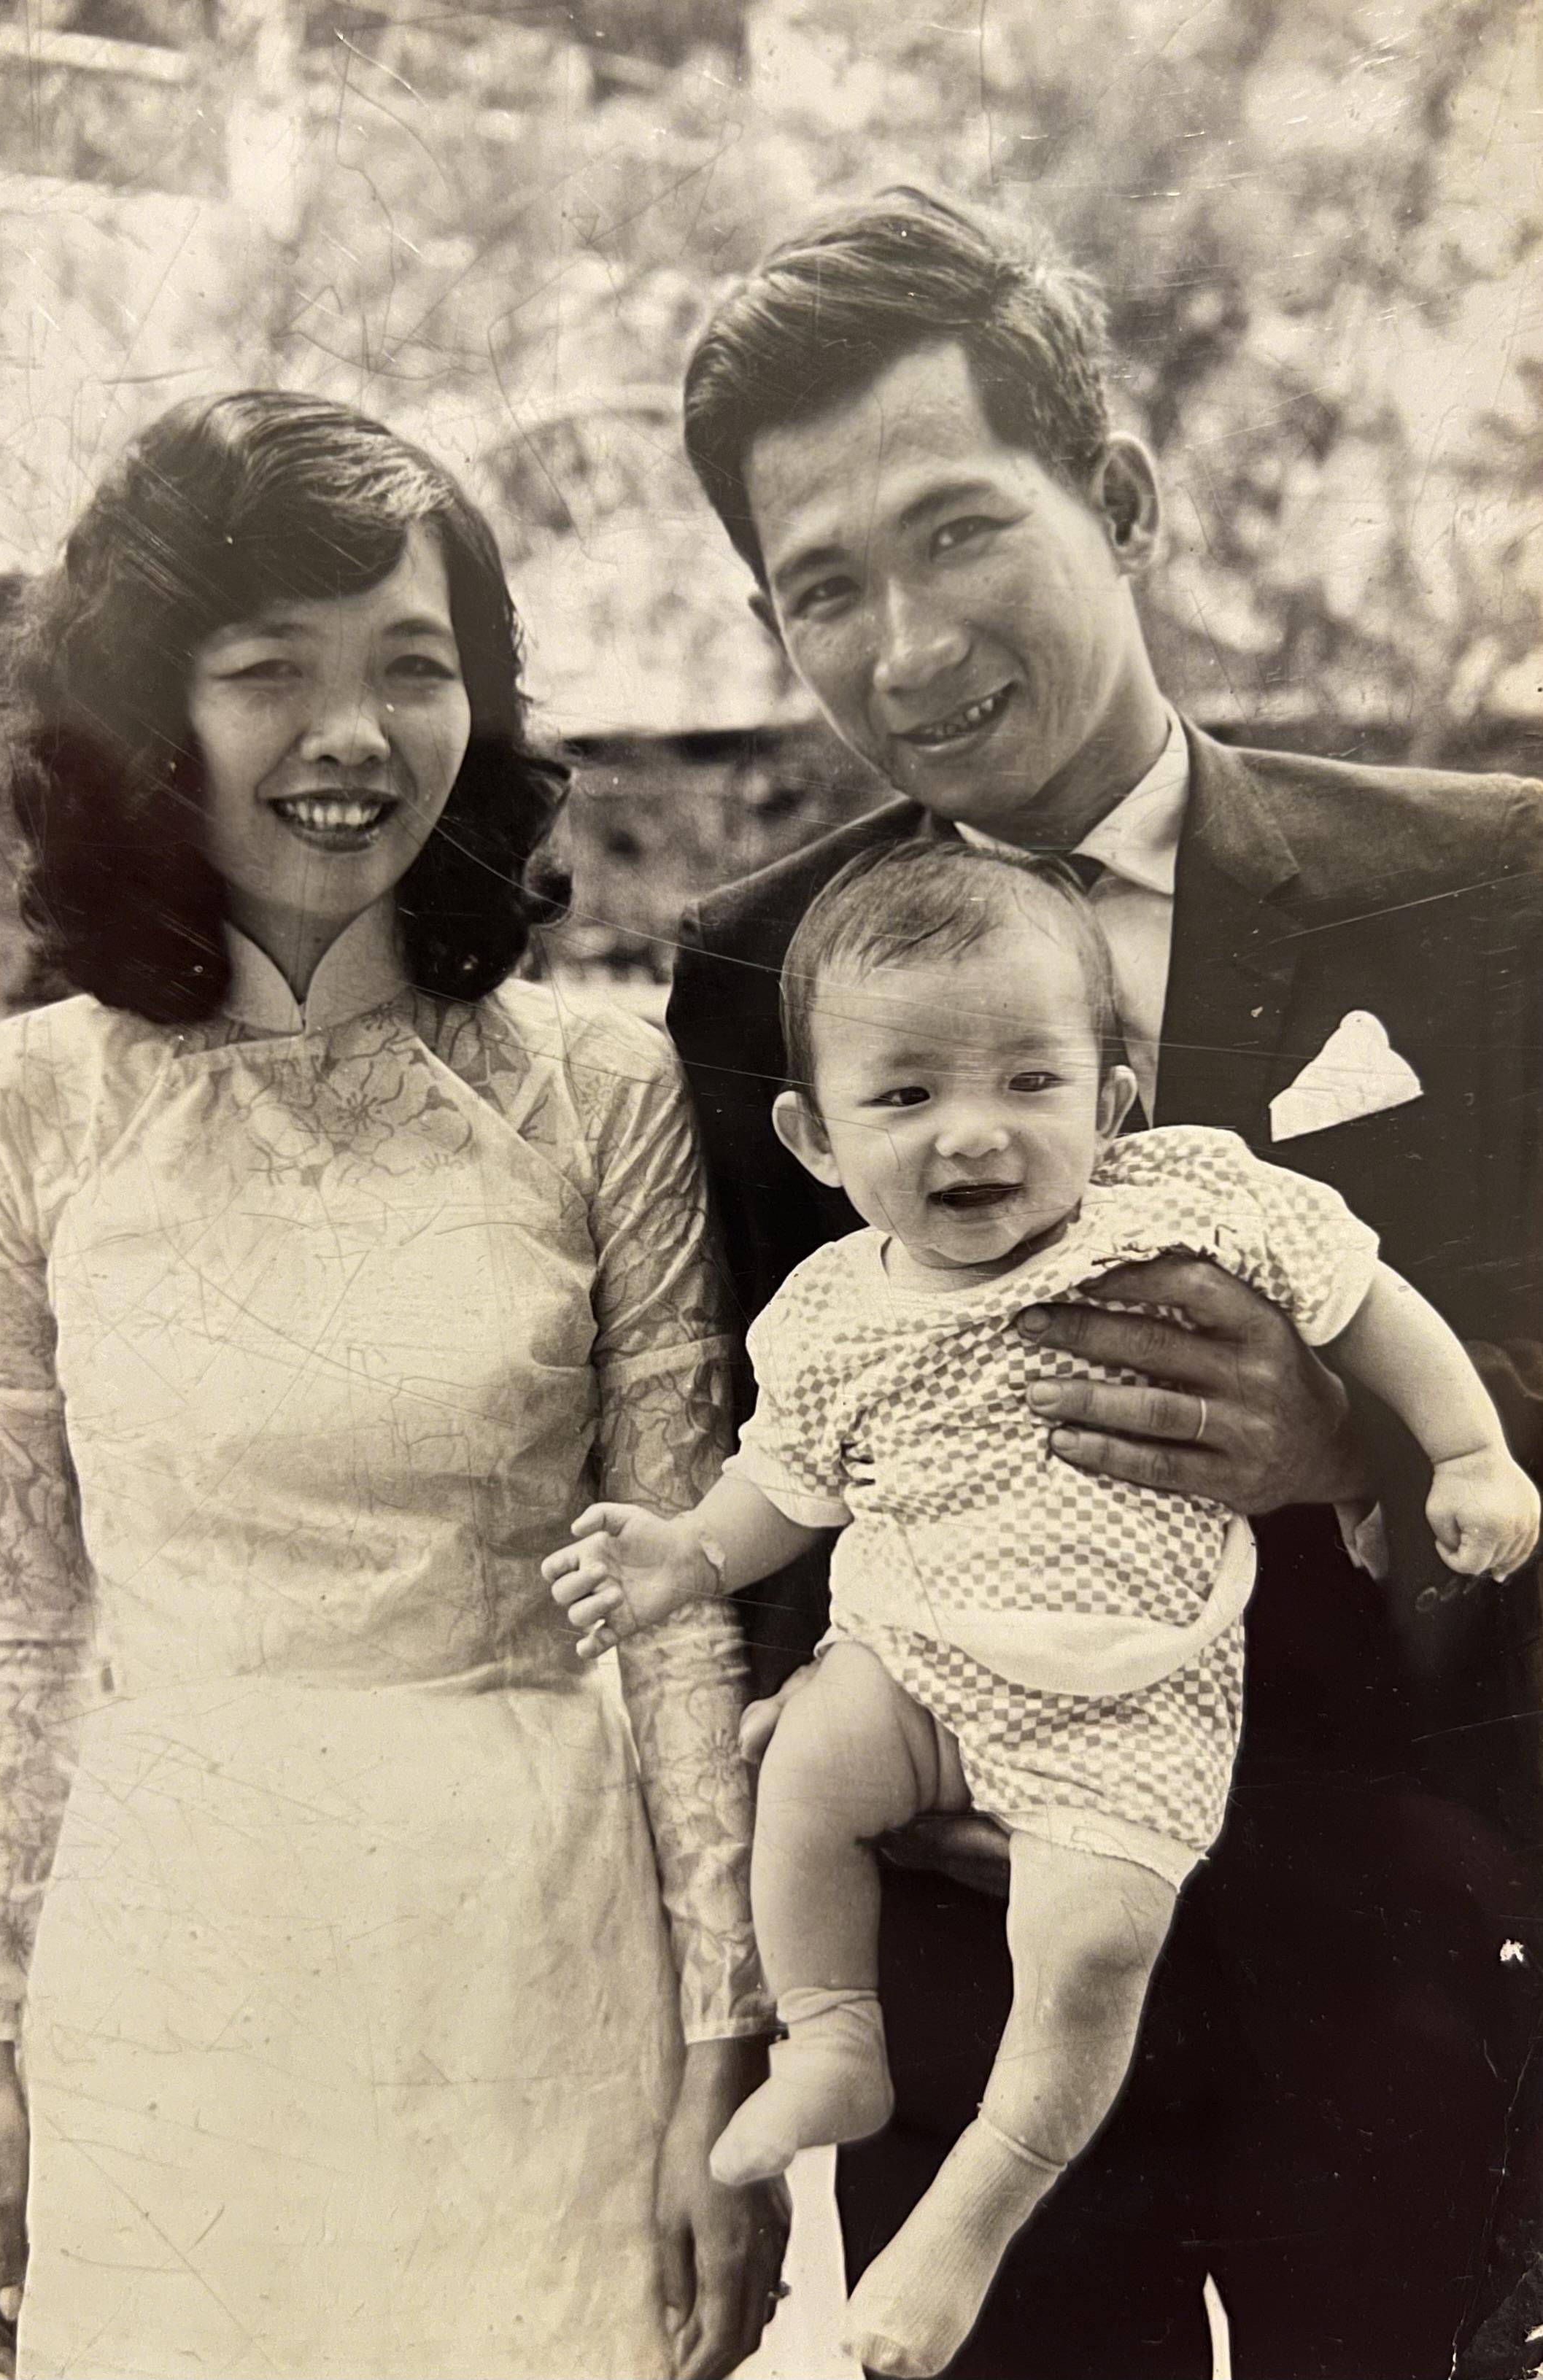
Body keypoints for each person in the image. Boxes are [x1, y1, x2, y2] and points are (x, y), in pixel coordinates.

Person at [665, 189, 1543, 2380]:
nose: (903, 644)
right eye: (821, 592)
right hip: (972, 1963)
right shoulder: (757, 976)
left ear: (1119, 498)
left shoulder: (1481, 879)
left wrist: (1361, 1438)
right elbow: (769, 1449)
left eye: (958, 531)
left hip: (1412, 1941)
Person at [0, 390, 786, 2380]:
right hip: (175, 1953)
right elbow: (17, 1623)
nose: (352, 739)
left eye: (414, 669)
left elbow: (671, 1619)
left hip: (531, 1953)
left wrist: (710, 2057)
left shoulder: (597, 1094)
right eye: (267, 675)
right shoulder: (15, 1118)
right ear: (156, 715)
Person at [552, 839, 1538, 2376]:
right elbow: (783, 1487)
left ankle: (979, 2209)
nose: (973, 1138)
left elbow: (1368, 1296)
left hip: (1127, 1692)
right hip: (916, 1667)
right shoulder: (831, 1308)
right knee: (801, 1778)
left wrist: (1462, 1451)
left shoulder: (1182, 1205)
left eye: (1029, 1083)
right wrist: (686, 1554)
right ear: (815, 1138)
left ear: (1116, 1105)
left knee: (1086, 1957)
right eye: (907, 1098)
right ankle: (835, 2039)